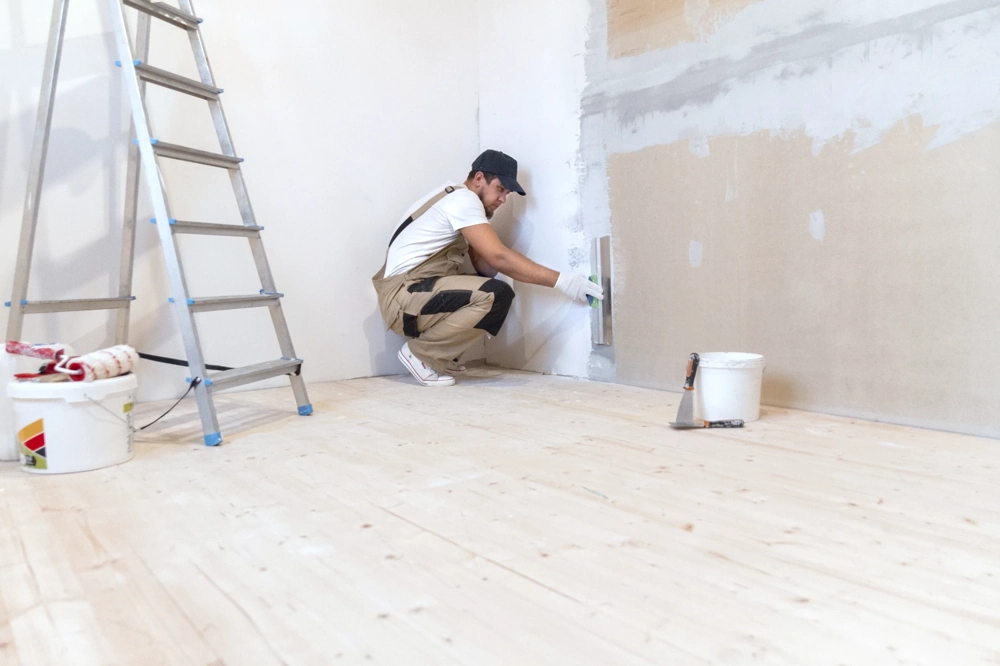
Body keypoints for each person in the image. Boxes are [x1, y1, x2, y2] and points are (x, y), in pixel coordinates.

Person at [372, 149, 604, 387]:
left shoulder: (454, 198)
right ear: (479, 178)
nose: (503, 199)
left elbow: (484, 266)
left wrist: (499, 265)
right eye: (500, 189)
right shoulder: (464, 200)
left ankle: (439, 356)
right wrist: (564, 281)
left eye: (507, 193)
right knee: (496, 294)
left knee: (493, 290)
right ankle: (421, 355)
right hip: (402, 298)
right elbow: (498, 257)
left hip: (411, 293)